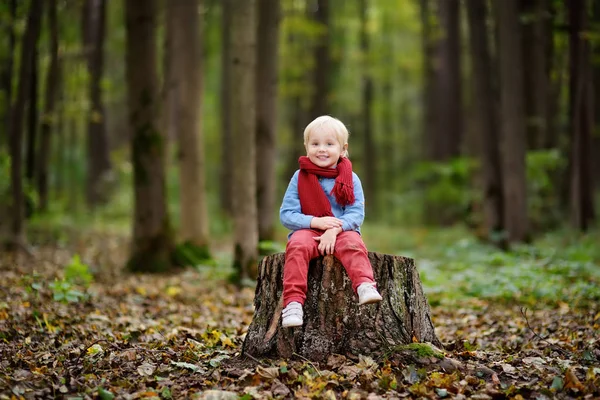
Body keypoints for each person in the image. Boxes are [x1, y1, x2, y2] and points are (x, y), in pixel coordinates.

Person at [279, 115, 382, 328]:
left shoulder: (351, 178)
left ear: (343, 149)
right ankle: (293, 303)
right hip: (309, 230)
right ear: (306, 147)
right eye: (315, 144)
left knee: (353, 244)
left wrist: (334, 230)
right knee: (296, 246)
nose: (321, 149)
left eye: (329, 144)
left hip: (341, 231)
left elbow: (355, 215)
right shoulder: (299, 177)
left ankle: (364, 285)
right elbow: (287, 214)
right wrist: (316, 222)